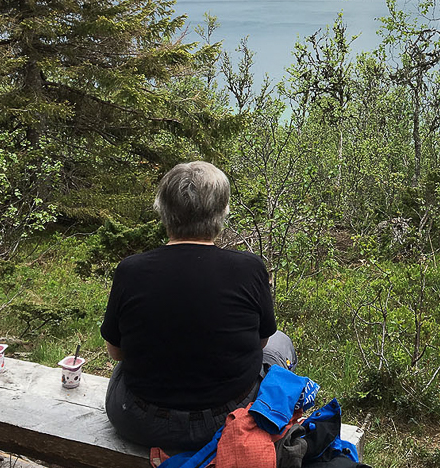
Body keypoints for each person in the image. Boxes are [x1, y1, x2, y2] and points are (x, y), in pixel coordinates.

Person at [100, 160, 295, 452]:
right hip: (224, 421)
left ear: (162, 210)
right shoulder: (249, 268)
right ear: (222, 212)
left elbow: (115, 351)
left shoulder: (131, 270)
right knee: (280, 342)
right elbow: (262, 341)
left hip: (140, 421)